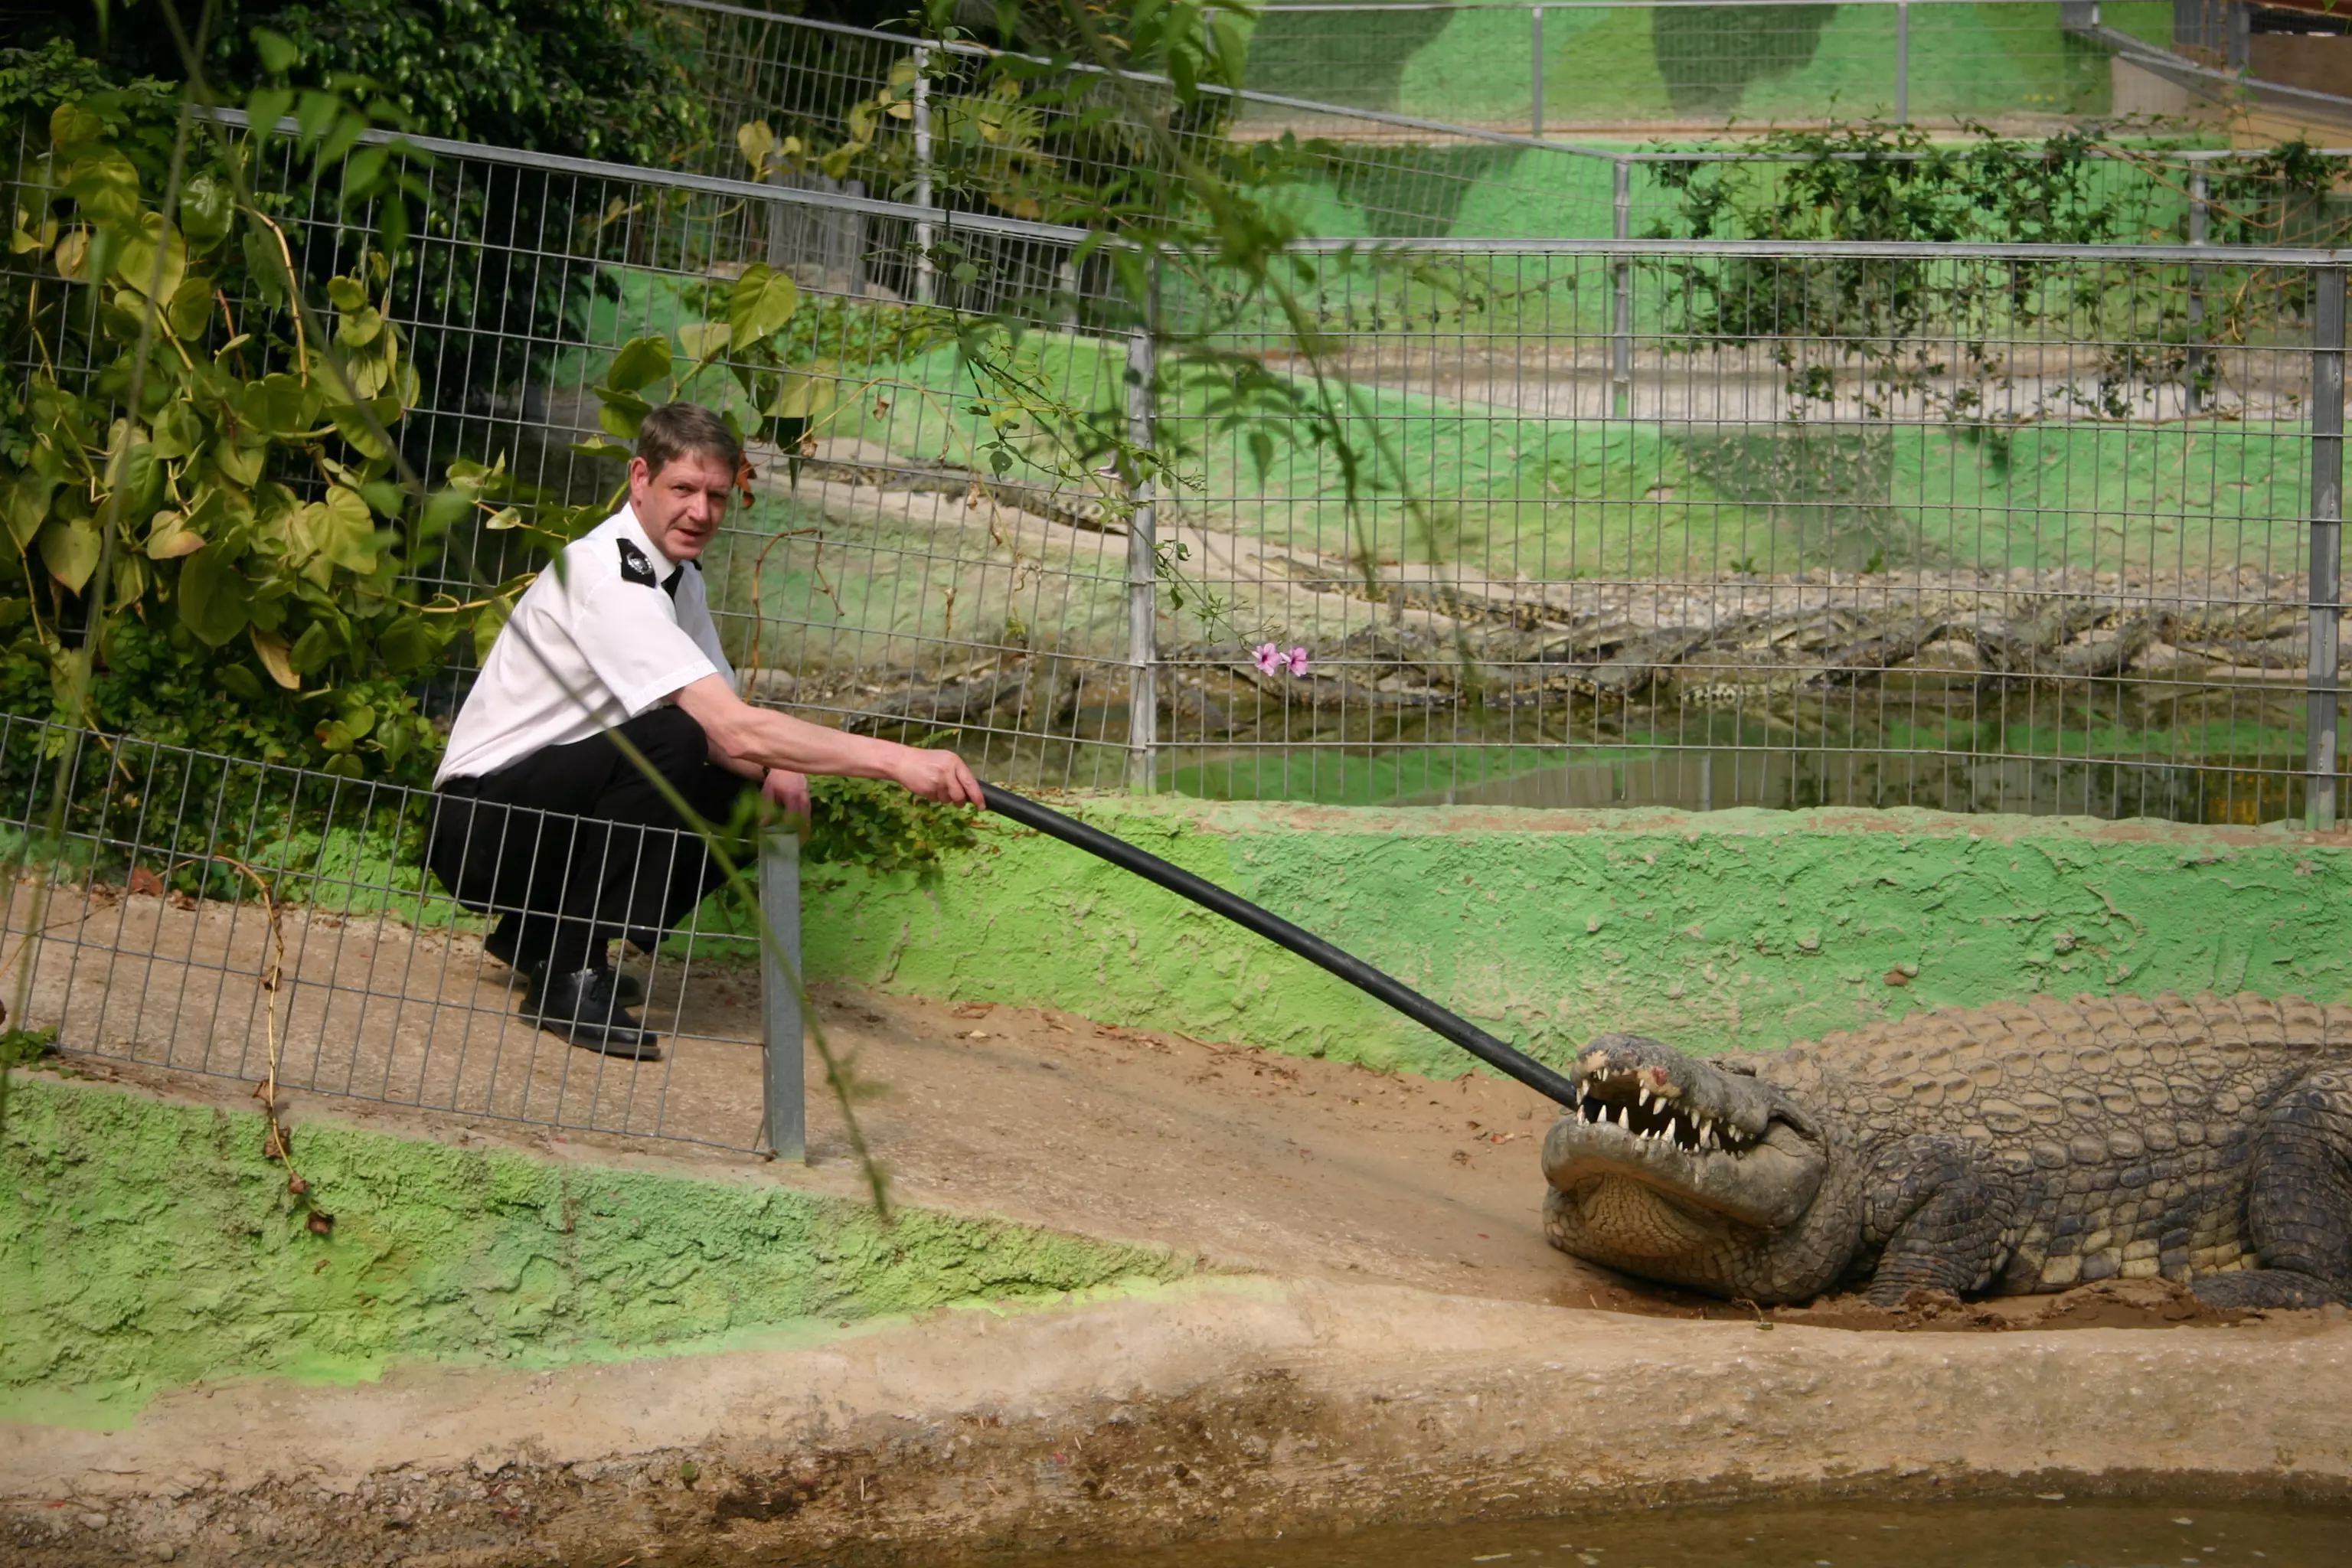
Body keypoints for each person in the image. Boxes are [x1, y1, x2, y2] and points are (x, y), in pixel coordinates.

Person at [428, 402, 982, 1059]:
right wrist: (897, 761)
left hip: (542, 810)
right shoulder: (611, 577)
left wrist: (781, 770)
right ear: (640, 479)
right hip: (478, 828)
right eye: (683, 490)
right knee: (675, 742)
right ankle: (571, 975)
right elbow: (728, 729)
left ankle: (539, 941)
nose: (701, 512)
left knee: (750, 794)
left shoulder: (677, 577)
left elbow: (732, 727)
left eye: (716, 495)